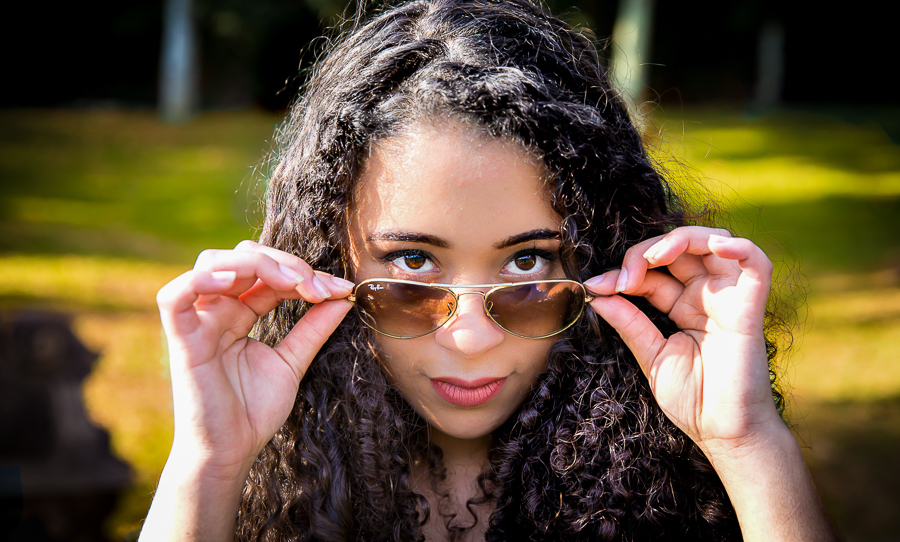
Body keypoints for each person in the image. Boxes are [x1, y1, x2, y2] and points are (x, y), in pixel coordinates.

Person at [140, 0, 841, 540]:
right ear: (329, 264)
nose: (470, 339)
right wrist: (208, 462)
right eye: (412, 264)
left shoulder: (681, 485)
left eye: (529, 262)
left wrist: (748, 444)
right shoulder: (262, 492)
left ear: (596, 261)